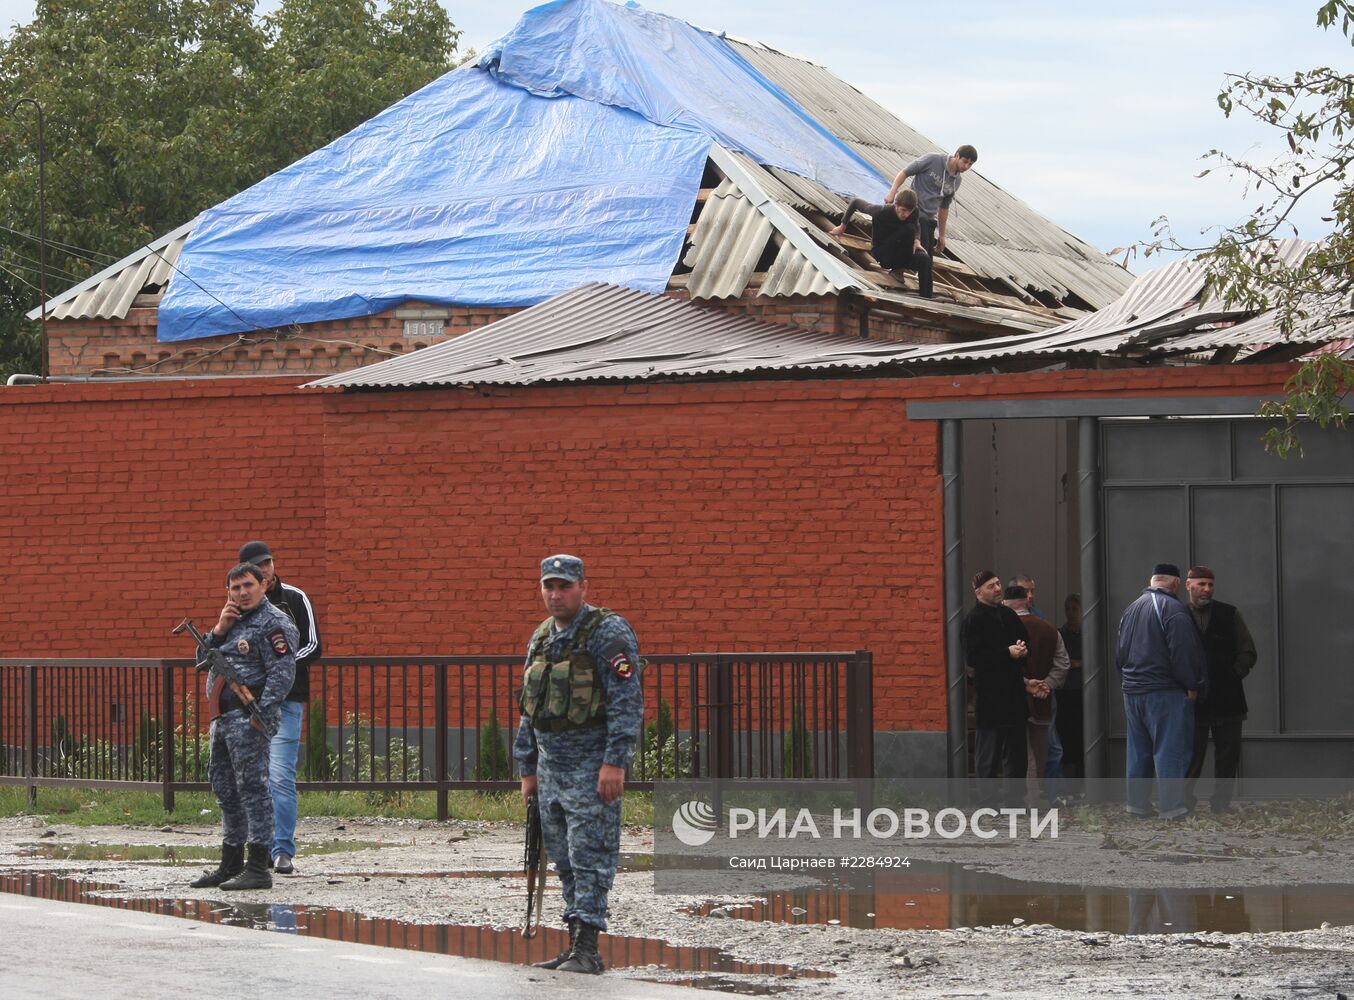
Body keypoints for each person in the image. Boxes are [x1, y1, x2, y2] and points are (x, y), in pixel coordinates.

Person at [514, 554, 643, 975]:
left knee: (592, 857)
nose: (556, 594)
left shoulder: (607, 632)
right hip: (551, 770)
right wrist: (527, 768)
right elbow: (528, 709)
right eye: (549, 586)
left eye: (564, 586)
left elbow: (627, 703)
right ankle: (575, 947)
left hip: (592, 769)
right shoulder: (541, 637)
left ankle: (588, 948)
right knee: (565, 861)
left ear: (583, 586)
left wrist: (615, 763)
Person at [189, 562, 298, 891]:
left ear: (263, 584)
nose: (242, 593)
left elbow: (282, 675)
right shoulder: (231, 621)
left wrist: (260, 716)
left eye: (248, 585)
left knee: (253, 792)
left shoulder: (274, 623)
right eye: (235, 588)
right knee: (225, 791)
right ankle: (230, 862)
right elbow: (200, 658)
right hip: (221, 719)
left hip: (248, 719)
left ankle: (257, 867)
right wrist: (219, 630)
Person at [238, 540, 321, 875]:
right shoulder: (240, 604)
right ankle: (256, 848)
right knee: (251, 778)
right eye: (259, 566)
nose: (266, 570)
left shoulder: (294, 598)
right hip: (250, 703)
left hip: (286, 701)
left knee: (281, 776)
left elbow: (313, 644)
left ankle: (282, 849)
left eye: (268, 563)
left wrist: (278, 665)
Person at [1115, 563, 1207, 820]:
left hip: (1132, 691)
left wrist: (1128, 682)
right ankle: (1173, 807)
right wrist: (1191, 684)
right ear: (1176, 584)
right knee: (1170, 750)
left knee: (1138, 750)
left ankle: (1137, 804)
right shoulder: (1173, 609)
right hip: (1164, 691)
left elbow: (1120, 654)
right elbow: (1183, 653)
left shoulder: (1131, 609)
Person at [1183, 566, 1256, 813]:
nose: (1207, 589)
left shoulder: (1229, 613)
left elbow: (1247, 649)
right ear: (1188, 585)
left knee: (1228, 754)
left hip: (1228, 698)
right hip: (1192, 699)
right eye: (1201, 584)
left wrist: (1236, 673)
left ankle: (1221, 803)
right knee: (1191, 755)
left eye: (1210, 584)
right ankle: (1185, 802)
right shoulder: (1178, 614)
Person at [961, 569, 1029, 803]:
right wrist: (1007, 653)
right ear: (979, 593)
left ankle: (1015, 800)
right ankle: (987, 802)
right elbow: (974, 657)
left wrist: (1022, 649)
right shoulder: (973, 620)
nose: (998, 588)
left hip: (1013, 694)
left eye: (998, 583)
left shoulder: (1009, 615)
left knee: (1016, 753)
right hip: (990, 697)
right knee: (988, 754)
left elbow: (1023, 638)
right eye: (991, 586)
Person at [1002, 584, 1068, 804]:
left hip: (1013, 699)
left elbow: (1001, 667)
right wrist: (1047, 685)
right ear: (1026, 602)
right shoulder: (1050, 629)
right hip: (1043, 700)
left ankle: (1029, 799)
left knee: (1022, 753)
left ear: (1005, 603)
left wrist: (1025, 684)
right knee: (1040, 752)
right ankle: (1038, 796)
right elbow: (1062, 663)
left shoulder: (1003, 629)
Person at [829, 188, 933, 297]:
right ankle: (897, 269)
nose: (905, 214)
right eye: (903, 210)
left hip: (901, 255)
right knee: (909, 229)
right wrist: (842, 226)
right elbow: (855, 202)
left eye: (909, 211)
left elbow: (917, 224)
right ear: (895, 204)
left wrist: (917, 240)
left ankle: (926, 297)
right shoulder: (881, 211)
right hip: (883, 254)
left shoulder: (914, 212)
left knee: (925, 259)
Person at [884, 144, 978, 256]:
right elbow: (905, 172)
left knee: (927, 256)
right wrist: (892, 192)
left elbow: (944, 207)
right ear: (957, 155)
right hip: (913, 212)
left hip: (929, 219)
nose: (966, 166)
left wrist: (942, 236)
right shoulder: (933, 159)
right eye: (965, 161)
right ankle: (898, 268)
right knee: (919, 250)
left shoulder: (956, 181)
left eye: (970, 164)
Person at [1056, 594, 1085, 779]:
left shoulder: (1087, 634)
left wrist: (1079, 663)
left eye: (1075, 609)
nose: (1071, 613)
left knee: (1081, 734)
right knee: (1064, 735)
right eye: (1068, 609)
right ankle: (1067, 781)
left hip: (1081, 690)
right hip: (1064, 690)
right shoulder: (1060, 634)